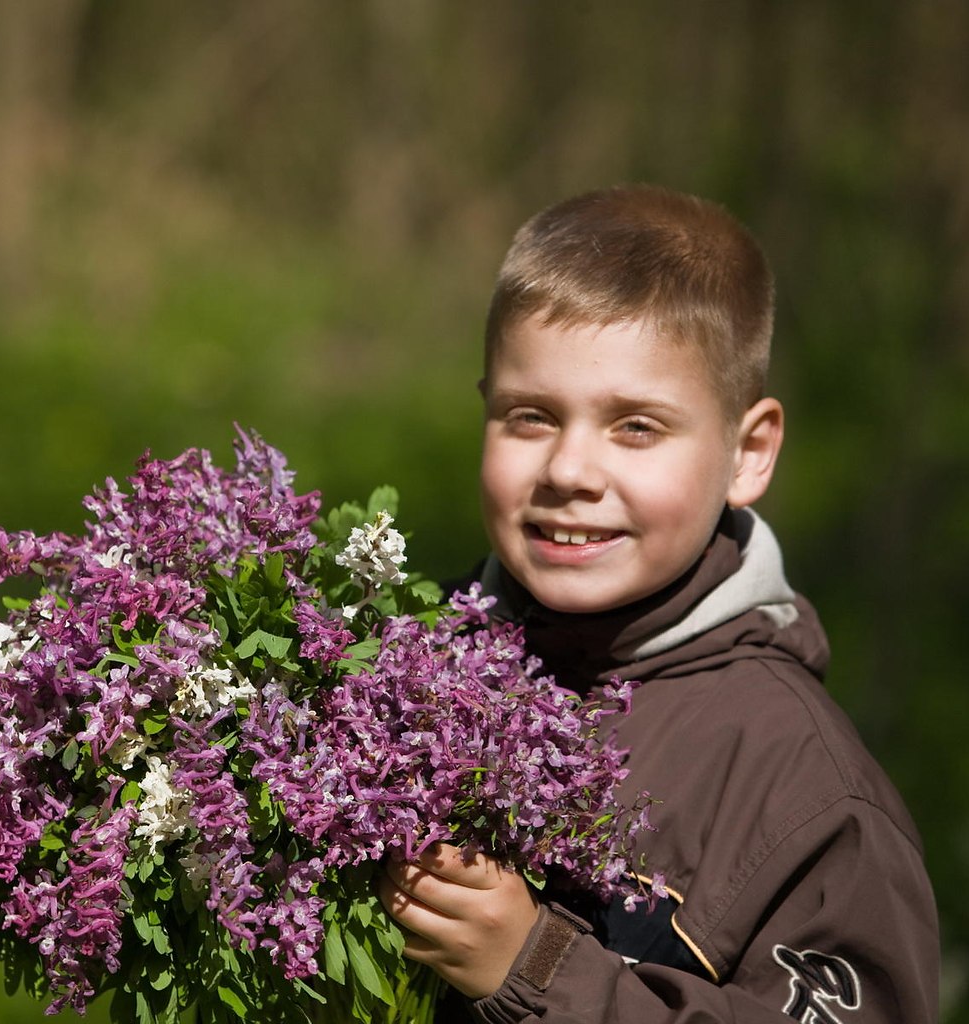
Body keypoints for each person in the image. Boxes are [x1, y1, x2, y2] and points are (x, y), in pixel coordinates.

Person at [378, 185, 940, 1023]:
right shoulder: (401, 676)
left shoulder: (808, 793)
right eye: (530, 416)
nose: (569, 471)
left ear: (748, 454)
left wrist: (538, 974)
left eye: (636, 427)